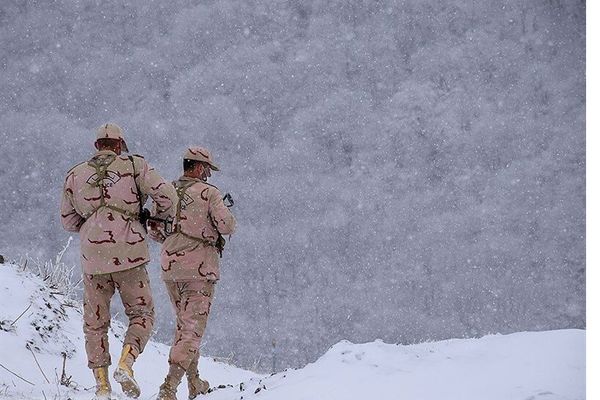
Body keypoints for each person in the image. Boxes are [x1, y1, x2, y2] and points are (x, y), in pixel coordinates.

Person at [60, 123, 177, 400]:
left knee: (95, 322)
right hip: (130, 256)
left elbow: (67, 221)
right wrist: (153, 218)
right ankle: (127, 362)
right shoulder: (135, 166)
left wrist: (93, 227)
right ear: (120, 145)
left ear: (96, 146)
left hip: (93, 260)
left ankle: (101, 384)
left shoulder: (75, 174)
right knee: (142, 314)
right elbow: (168, 195)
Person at [148, 146, 236, 400]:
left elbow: (153, 230)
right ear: (198, 167)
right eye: (207, 169)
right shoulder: (209, 194)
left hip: (170, 269)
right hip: (199, 269)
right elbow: (228, 225)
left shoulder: (165, 192)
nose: (208, 174)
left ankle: (194, 382)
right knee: (192, 329)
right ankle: (169, 388)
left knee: (185, 325)